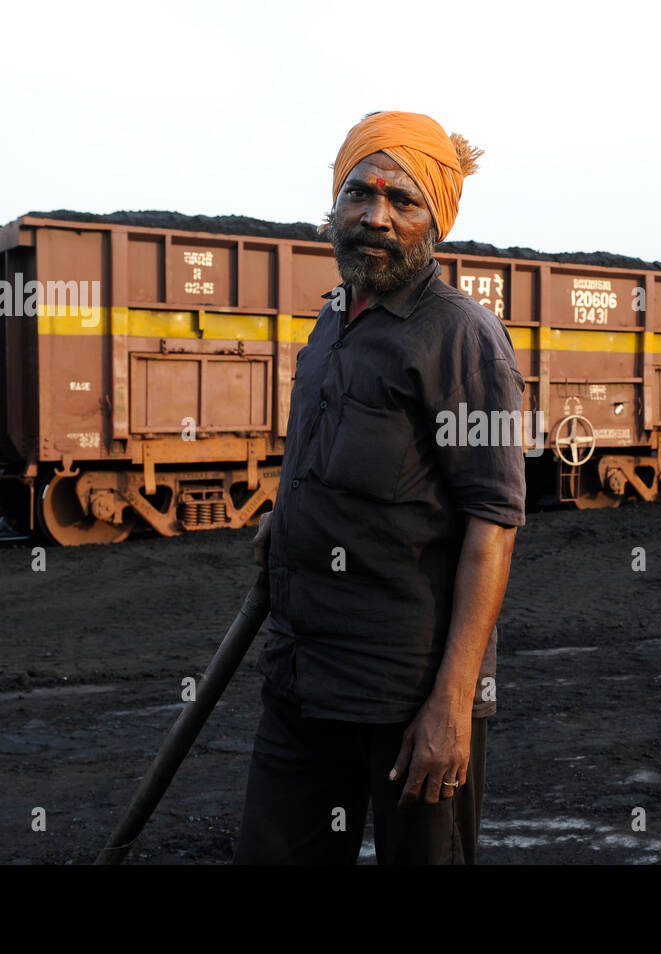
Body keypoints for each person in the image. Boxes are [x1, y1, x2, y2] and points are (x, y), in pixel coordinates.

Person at [233, 111, 526, 865]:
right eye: (359, 194)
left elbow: (492, 527)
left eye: (403, 202)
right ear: (334, 205)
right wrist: (286, 518)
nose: (376, 217)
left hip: (408, 697)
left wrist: (453, 705)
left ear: (435, 221)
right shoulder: (332, 322)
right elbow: (322, 450)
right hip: (302, 676)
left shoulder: (461, 336)